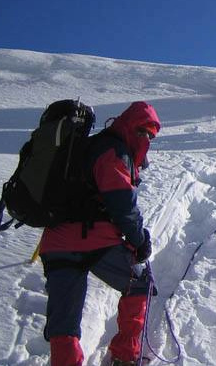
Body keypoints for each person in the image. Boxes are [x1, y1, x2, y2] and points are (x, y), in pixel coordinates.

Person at [39, 101, 161, 366]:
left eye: (150, 135)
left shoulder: (86, 149)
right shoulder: (113, 152)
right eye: (144, 132)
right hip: (96, 240)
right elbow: (122, 203)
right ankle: (125, 356)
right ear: (129, 126)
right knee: (139, 283)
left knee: (64, 322)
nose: (146, 139)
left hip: (55, 243)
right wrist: (140, 241)